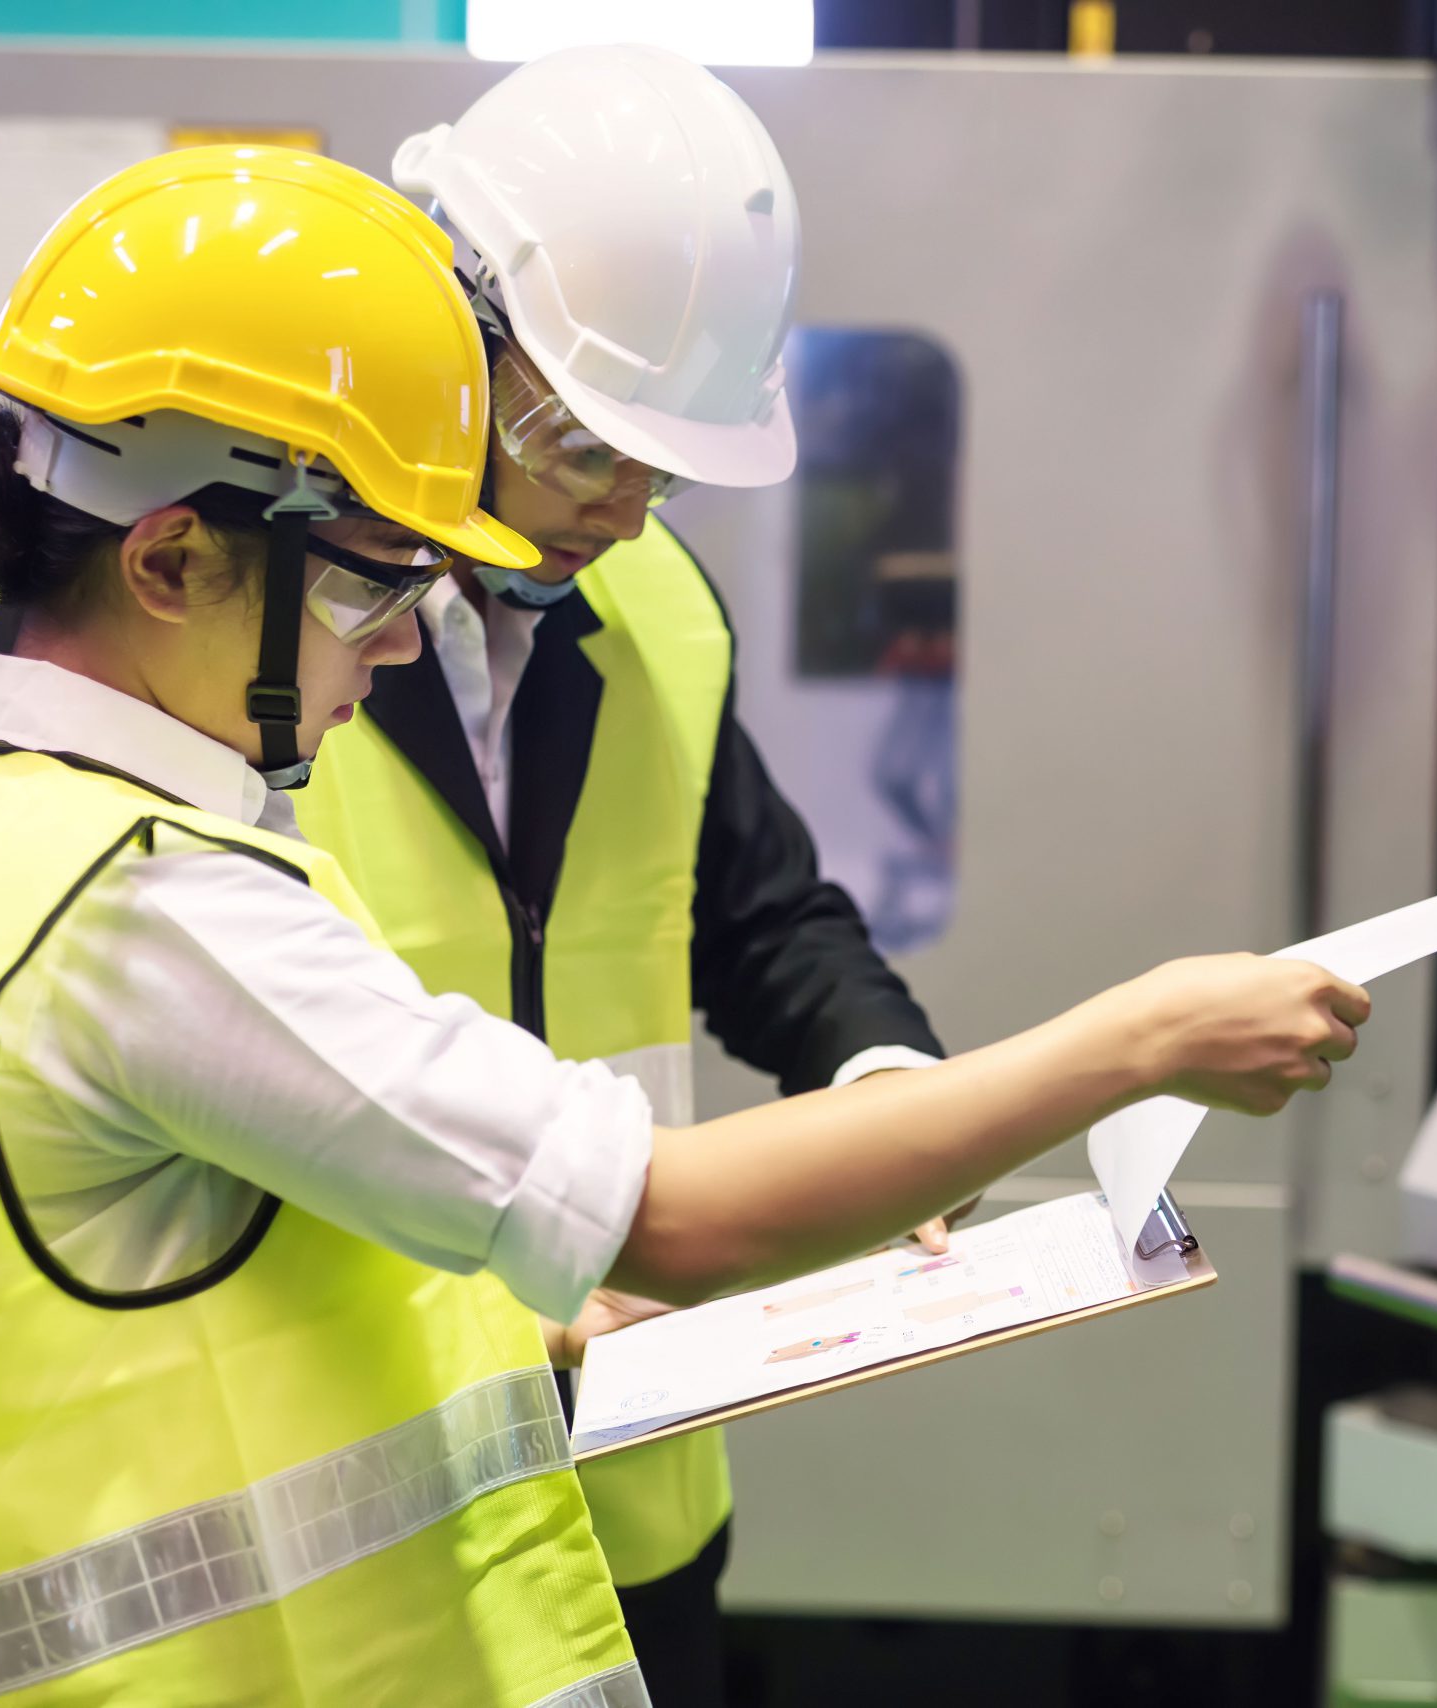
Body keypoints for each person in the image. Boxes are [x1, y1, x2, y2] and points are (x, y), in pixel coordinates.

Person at [0, 146, 1367, 1707]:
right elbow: (671, 1214)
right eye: (376, 599)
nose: (388, 655)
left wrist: (854, 1109)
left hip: (588, 1450)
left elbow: (755, 915)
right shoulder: (150, 890)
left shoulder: (59, 778)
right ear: (168, 559)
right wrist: (1144, 1041)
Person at [287, 49, 927, 1696]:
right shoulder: (243, 644)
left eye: (667, 465)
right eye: (587, 451)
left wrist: (890, 1089)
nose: (632, 516)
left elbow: (764, 919)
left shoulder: (660, 619)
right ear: (453, 347)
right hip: (364, 1500)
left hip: (631, 1499)